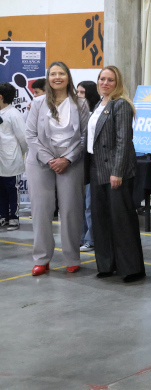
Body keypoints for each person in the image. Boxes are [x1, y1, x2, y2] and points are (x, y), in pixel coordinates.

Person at [25, 62, 90, 275]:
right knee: (41, 210)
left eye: (61, 73)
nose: (57, 77)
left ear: (68, 77)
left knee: (71, 210)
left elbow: (84, 136)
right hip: (40, 162)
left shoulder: (80, 104)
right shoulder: (38, 103)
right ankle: (42, 259)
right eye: (53, 74)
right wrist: (49, 159)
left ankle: (72, 257)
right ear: (48, 78)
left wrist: (67, 159)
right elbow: (30, 135)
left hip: (71, 162)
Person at [89, 66, 145, 282]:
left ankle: (131, 268)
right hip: (96, 169)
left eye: (110, 80)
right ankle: (106, 264)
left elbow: (123, 142)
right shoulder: (98, 105)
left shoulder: (120, 105)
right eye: (102, 79)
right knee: (100, 219)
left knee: (121, 221)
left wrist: (117, 171)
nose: (105, 83)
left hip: (115, 171)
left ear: (118, 83)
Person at [77, 81, 100, 250]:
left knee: (90, 205)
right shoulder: (76, 113)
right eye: (77, 92)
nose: (78, 96)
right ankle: (82, 237)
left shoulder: (96, 113)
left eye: (82, 92)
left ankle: (91, 239)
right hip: (78, 165)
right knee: (81, 204)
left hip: (92, 164)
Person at [0, 83, 27, 231]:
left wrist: (20, 153)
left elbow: (23, 138)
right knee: (1, 189)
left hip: (11, 159)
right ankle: (3, 215)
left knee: (12, 189)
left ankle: (14, 218)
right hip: (1, 160)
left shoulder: (13, 114)